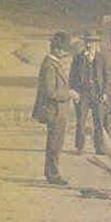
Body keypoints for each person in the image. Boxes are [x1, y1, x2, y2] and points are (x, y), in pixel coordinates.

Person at [31, 31, 79, 185]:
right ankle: (53, 174)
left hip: (59, 111)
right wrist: (69, 93)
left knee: (57, 144)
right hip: (54, 111)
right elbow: (50, 92)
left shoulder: (54, 63)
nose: (65, 54)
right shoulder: (49, 66)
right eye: (64, 50)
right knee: (54, 144)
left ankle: (53, 173)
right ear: (57, 49)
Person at [70, 31, 110, 154]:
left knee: (98, 121)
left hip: (97, 93)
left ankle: (99, 147)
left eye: (92, 42)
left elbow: (106, 77)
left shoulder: (101, 57)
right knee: (81, 121)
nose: (89, 45)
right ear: (85, 43)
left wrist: (104, 93)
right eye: (88, 42)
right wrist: (74, 91)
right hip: (82, 93)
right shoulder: (78, 57)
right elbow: (72, 76)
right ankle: (80, 147)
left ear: (96, 44)